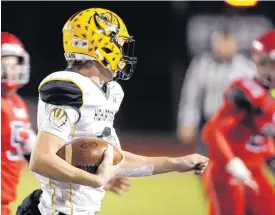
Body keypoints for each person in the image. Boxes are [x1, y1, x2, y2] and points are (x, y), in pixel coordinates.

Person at [16, 8, 209, 215]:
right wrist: (94, 179)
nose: (123, 53)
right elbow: (41, 159)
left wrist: (177, 163)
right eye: (118, 44)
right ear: (101, 48)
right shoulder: (69, 88)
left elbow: (115, 159)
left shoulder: (108, 92)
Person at [202, 30, 275, 215]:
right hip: (229, 171)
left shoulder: (269, 98)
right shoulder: (248, 93)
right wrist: (232, 162)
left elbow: (264, 141)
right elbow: (213, 131)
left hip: (254, 169)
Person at [177, 26, 256, 155]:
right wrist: (187, 121)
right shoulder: (201, 65)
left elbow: (256, 98)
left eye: (227, 41)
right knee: (206, 165)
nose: (223, 46)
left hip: (237, 124)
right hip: (209, 122)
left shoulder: (246, 68)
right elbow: (191, 96)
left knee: (236, 165)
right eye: (219, 41)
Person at [1, 32, 36, 215]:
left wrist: (81, 177)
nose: (9, 70)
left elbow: (35, 153)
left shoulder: (17, 103)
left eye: (13, 64)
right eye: (3, 63)